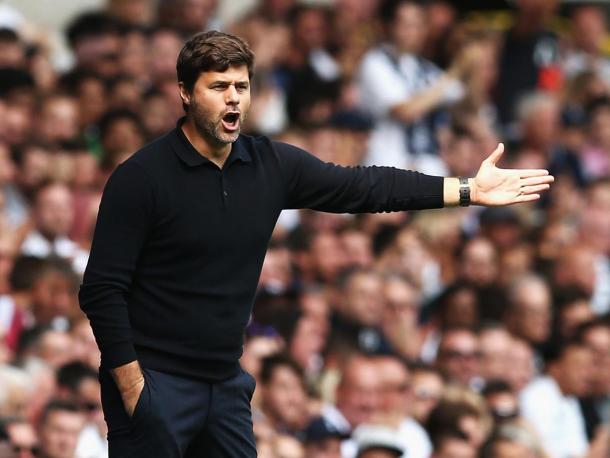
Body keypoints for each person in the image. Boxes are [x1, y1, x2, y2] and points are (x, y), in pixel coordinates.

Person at [78, 30, 554, 457]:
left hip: (224, 383)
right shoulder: (142, 177)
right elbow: (101, 290)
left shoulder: (269, 163)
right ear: (185, 92)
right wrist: (134, 386)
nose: (233, 100)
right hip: (157, 381)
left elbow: (364, 188)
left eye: (241, 87)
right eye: (218, 87)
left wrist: (467, 190)